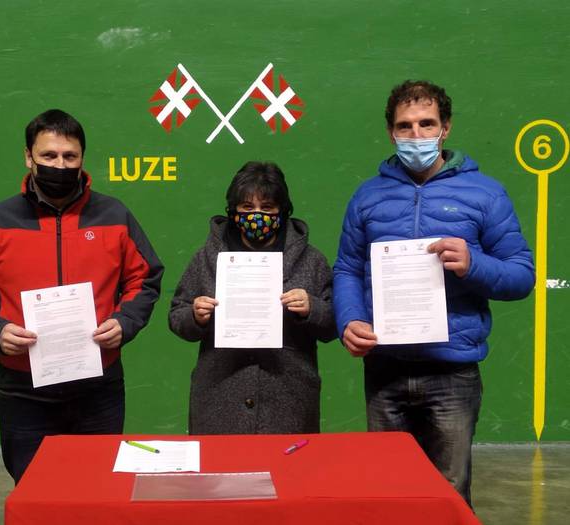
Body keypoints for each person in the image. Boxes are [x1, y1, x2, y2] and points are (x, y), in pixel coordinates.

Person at [332, 80, 534, 505]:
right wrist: (349, 319)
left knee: (448, 496)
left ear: (446, 128)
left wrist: (474, 264)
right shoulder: (367, 196)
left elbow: (521, 276)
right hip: (384, 369)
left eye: (427, 123)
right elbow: (348, 268)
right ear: (391, 132)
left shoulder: (485, 194)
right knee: (386, 495)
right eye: (405, 126)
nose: (416, 134)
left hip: (452, 372)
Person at [0, 109, 164, 483]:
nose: (59, 165)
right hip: (24, 392)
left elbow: (145, 279)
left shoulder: (114, 215)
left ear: (82, 158)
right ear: (28, 157)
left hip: (98, 389)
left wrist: (125, 322)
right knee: (34, 490)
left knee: (98, 487)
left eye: (69, 156)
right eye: (48, 155)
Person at [169, 161, 337, 434]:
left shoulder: (312, 260)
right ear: (233, 210)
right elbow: (177, 316)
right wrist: (195, 316)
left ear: (282, 211)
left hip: (289, 399)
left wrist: (312, 308)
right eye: (247, 207)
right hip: (218, 398)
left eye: (267, 207)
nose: (256, 215)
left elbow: (334, 325)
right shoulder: (207, 257)